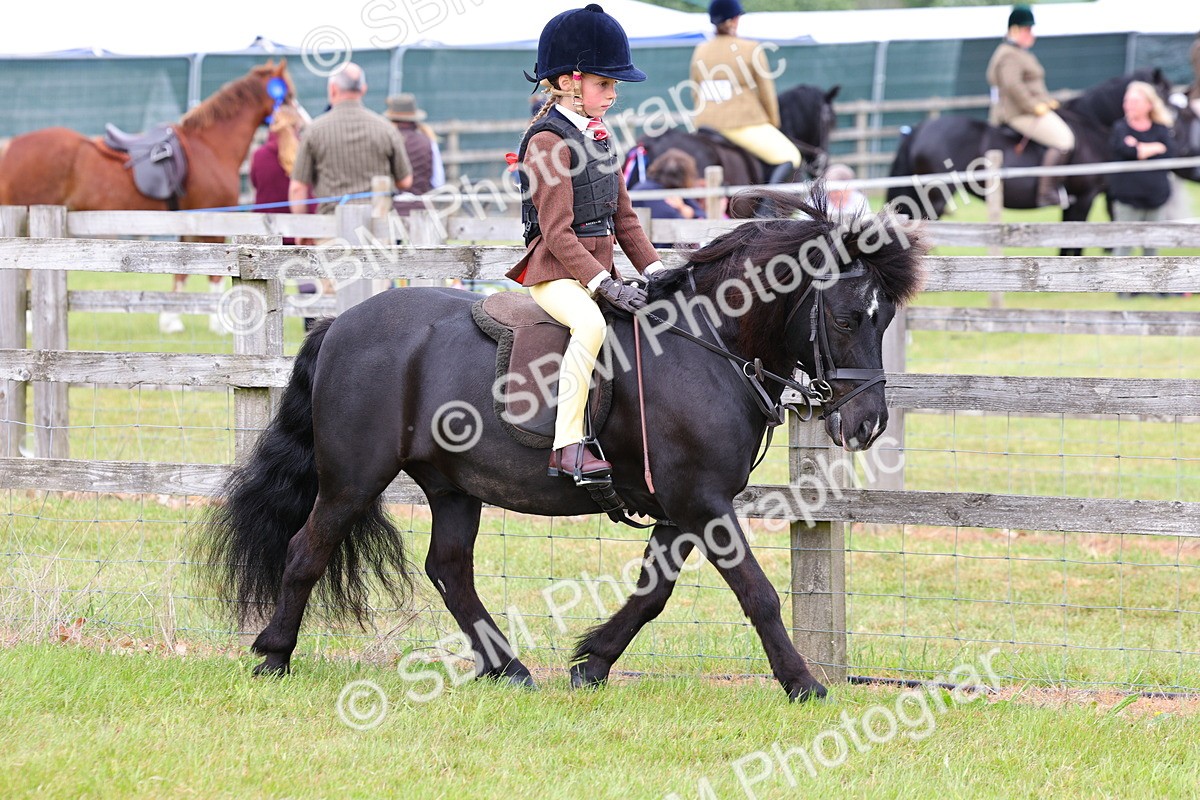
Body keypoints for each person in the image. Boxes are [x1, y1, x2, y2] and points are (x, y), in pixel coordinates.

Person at [506, 4, 665, 484]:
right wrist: (601, 282)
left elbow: (625, 219)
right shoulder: (548, 142)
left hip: (597, 271)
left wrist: (659, 273)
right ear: (570, 82)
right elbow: (556, 233)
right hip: (554, 273)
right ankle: (566, 445)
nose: (614, 95)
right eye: (605, 85)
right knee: (592, 325)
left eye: (614, 86)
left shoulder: (600, 136)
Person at [689, 0, 800, 185]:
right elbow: (766, 92)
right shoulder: (750, 49)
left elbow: (695, 90)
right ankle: (766, 212)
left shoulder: (700, 50)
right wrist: (773, 122)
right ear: (733, 20)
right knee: (791, 156)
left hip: (705, 123)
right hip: (742, 124)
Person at [289, 63, 413, 218]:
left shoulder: (313, 131)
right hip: (377, 231)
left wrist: (302, 228)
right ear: (363, 89)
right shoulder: (386, 129)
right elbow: (405, 181)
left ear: (333, 89)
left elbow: (297, 188)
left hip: (331, 228)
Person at [986, 4, 1075, 208]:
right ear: (1015, 29)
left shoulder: (1019, 52)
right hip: (1018, 113)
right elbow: (1013, 86)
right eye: (1027, 29)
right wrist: (1034, 106)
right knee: (1064, 140)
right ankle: (1046, 192)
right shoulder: (1009, 54)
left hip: (1033, 108)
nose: (1031, 34)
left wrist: (1046, 101)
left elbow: (1031, 84)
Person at [1109, 81, 1176, 273]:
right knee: (1124, 242)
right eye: (1127, 101)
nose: (1129, 105)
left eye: (1135, 101)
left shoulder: (1161, 128)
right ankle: (1121, 286)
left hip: (1156, 196)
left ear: (1149, 104)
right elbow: (1124, 150)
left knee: (1152, 244)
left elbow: (1170, 151)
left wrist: (1140, 147)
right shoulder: (1120, 127)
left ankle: (1151, 286)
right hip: (1128, 198)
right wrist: (1153, 147)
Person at [384, 93, 445, 215]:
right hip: (421, 210)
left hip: (390, 210)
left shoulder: (386, 140)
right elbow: (438, 182)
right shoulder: (428, 141)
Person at [630, 147, 705, 227]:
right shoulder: (648, 192)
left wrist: (686, 210)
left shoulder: (674, 191)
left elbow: (702, 216)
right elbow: (677, 225)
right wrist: (685, 212)